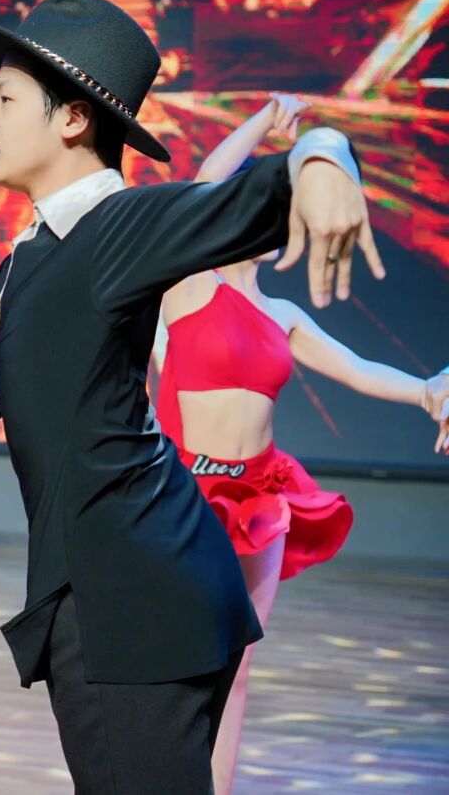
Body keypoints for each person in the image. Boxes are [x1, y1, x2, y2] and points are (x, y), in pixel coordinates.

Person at [0, 0, 381, 792]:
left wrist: (324, 154)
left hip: (133, 601)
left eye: (5, 98)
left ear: (73, 118)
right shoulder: (31, 254)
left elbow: (252, 198)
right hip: (121, 591)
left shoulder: (115, 226)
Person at [157, 92, 449, 794]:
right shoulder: (188, 287)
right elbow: (204, 186)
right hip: (186, 497)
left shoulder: (281, 314)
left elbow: (356, 368)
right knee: (177, 663)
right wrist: (265, 120)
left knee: (236, 666)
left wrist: (429, 390)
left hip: (261, 497)